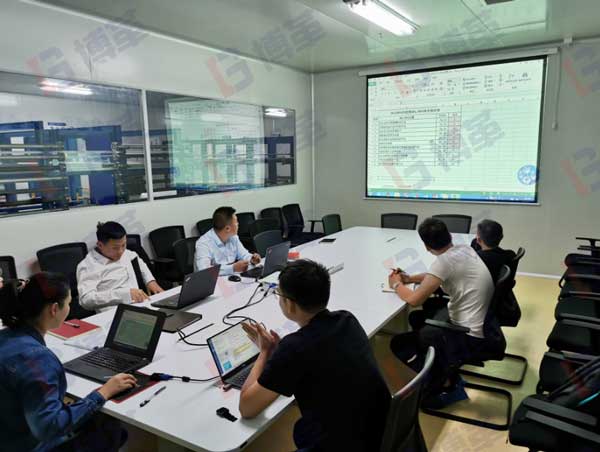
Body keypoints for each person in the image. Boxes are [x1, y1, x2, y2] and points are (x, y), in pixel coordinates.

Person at [239, 260, 390, 452]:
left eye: (278, 294)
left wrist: (265, 351)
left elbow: (247, 408)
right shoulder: (347, 319)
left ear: (289, 304)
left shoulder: (294, 348)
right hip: (380, 431)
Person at [0, 272, 137, 452]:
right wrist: (103, 393)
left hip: (8, 433)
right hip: (28, 444)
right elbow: (49, 427)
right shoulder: (37, 358)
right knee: (112, 428)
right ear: (54, 309)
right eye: (69, 303)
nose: (69, 308)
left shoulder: (6, 337)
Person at [388, 218, 495, 408]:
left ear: (426, 246)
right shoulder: (465, 249)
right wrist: (409, 278)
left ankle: (440, 380)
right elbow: (435, 276)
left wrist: (396, 284)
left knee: (399, 343)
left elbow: (414, 300)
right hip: (483, 322)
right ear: (450, 236)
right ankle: (440, 362)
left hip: (468, 334)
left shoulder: (443, 262)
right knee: (416, 318)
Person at [77, 221, 164, 312]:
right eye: (115, 248)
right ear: (100, 245)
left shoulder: (126, 253)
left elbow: (137, 260)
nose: (121, 251)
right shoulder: (89, 266)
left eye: (124, 245)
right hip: (113, 312)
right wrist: (124, 295)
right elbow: (86, 300)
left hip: (140, 304)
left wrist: (150, 281)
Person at [194, 207, 260, 276]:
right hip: (210, 280)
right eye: (236, 222)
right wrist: (232, 268)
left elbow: (243, 254)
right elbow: (204, 270)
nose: (238, 224)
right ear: (227, 228)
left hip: (229, 277)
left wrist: (252, 259)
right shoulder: (203, 243)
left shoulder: (233, 237)